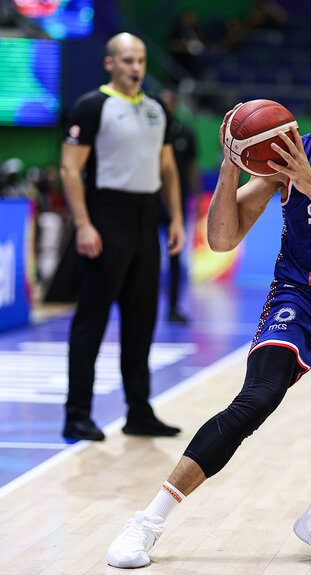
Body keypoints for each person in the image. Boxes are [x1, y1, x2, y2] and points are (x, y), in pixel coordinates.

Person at [105, 47, 311, 569]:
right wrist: (231, 169)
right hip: (297, 300)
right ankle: (146, 521)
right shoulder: (288, 155)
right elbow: (221, 239)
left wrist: (310, 184)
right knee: (256, 400)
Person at [59, 33, 185, 442]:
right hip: (105, 216)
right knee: (91, 321)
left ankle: (139, 411)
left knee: (141, 320)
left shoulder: (154, 109)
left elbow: (168, 169)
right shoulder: (92, 106)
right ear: (110, 64)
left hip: (145, 219)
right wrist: (83, 224)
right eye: (127, 60)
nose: (136, 67)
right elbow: (69, 170)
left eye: (141, 60)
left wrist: (177, 220)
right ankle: (76, 414)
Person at [158, 88, 200, 324]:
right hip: (151, 200)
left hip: (176, 202)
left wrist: (195, 194)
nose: (167, 107)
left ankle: (173, 307)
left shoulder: (186, 132)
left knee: (175, 256)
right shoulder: (150, 131)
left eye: (170, 103)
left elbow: (192, 166)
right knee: (145, 256)